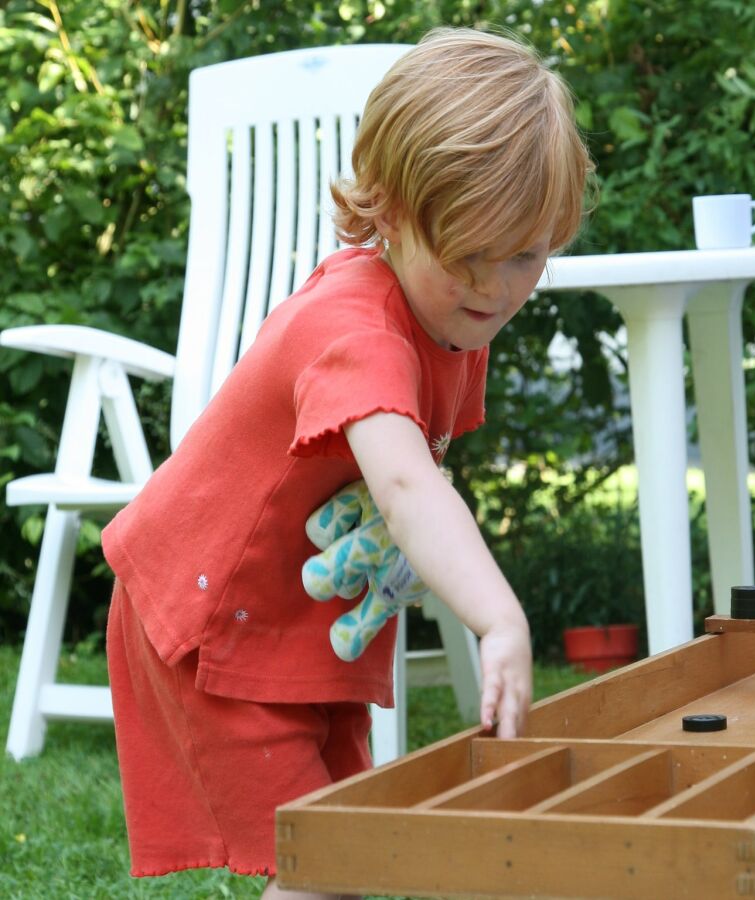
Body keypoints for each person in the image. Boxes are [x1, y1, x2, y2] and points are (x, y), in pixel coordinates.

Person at [102, 28, 591, 898]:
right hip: (208, 620)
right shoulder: (355, 327)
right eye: (467, 255)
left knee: (345, 851)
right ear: (393, 214)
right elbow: (407, 483)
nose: (495, 287)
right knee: (325, 865)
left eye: (523, 255)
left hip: (292, 620)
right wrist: (499, 618)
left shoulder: (449, 314)